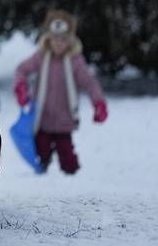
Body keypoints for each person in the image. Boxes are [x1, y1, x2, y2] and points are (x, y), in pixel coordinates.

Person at [14, 10, 107, 175]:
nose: (58, 43)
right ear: (48, 39)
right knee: (40, 153)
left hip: (65, 121)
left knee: (67, 157)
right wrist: (21, 87)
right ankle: (42, 173)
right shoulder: (41, 57)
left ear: (70, 41)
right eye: (55, 39)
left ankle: (72, 175)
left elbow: (89, 82)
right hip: (42, 119)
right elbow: (21, 69)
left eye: (63, 39)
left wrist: (98, 103)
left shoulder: (75, 61)